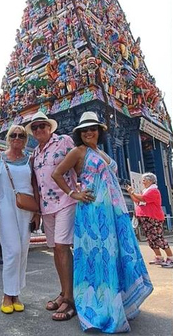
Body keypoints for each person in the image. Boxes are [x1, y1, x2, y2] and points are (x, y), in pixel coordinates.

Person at [53, 111, 153, 333]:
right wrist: (74, 194)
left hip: (114, 212)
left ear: (99, 131)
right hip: (93, 213)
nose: (90, 132)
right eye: (85, 129)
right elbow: (57, 173)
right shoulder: (78, 151)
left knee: (114, 255)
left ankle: (118, 304)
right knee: (98, 258)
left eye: (93, 128)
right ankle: (100, 306)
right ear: (79, 133)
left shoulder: (101, 151)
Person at [25, 111, 76, 321]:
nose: (38, 130)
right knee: (55, 248)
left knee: (63, 246)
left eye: (42, 126)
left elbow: (80, 161)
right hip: (47, 206)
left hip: (66, 200)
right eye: (35, 127)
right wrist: (36, 210)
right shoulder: (34, 153)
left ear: (50, 127)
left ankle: (70, 300)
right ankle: (64, 292)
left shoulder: (64, 141)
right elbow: (35, 184)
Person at [0, 125, 35, 314]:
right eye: (13, 135)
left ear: (25, 139)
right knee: (12, 251)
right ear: (8, 138)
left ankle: (16, 293)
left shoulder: (29, 160)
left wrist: (38, 213)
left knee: (23, 251)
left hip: (26, 209)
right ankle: (7, 294)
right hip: (5, 206)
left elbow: (35, 185)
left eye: (21, 135)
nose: (17, 138)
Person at [128, 173, 173, 268]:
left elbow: (142, 198)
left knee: (158, 238)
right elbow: (137, 200)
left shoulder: (153, 191)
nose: (142, 182)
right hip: (145, 218)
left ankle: (170, 258)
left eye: (144, 180)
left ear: (150, 181)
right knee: (151, 239)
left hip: (153, 218)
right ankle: (158, 257)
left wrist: (132, 192)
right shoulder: (146, 191)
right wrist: (130, 193)